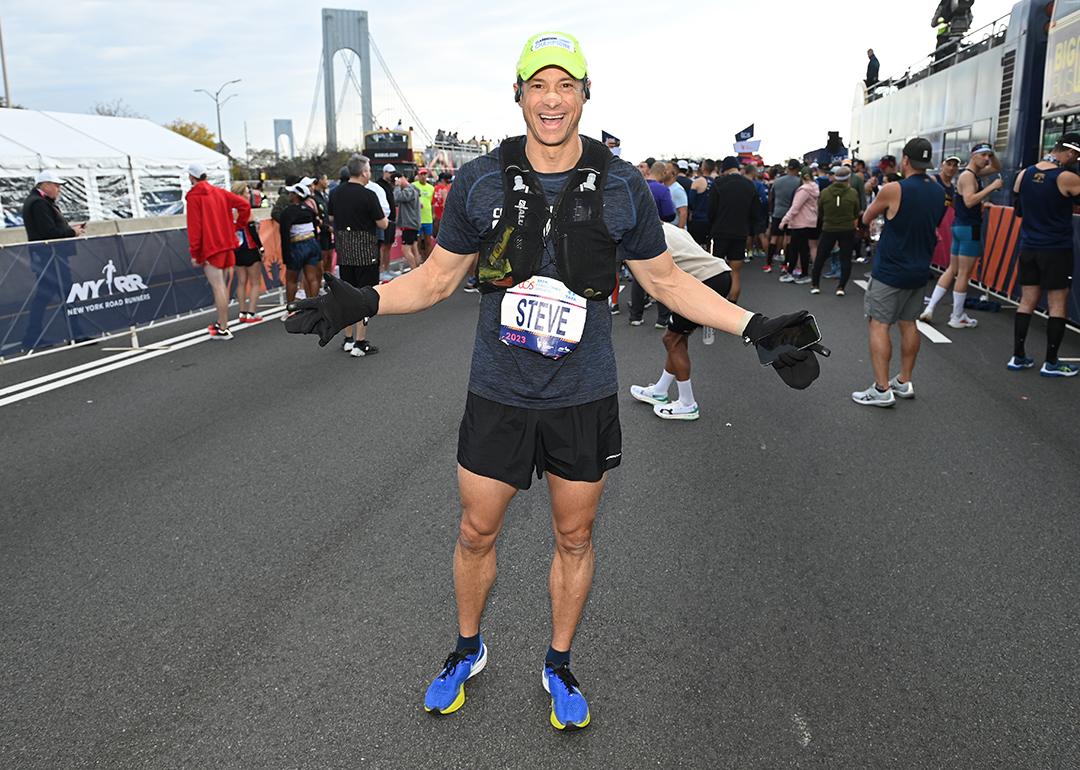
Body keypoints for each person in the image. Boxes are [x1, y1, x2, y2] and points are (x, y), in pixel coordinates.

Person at [284, 29, 822, 730]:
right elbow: (438, 278)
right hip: (499, 393)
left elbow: (662, 280)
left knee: (575, 537)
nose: (551, 100)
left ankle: (559, 662)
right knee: (477, 532)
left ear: (584, 95)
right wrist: (359, 301)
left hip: (582, 394)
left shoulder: (623, 184)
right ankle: (466, 650)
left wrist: (753, 328)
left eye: (565, 85)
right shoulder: (479, 179)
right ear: (518, 95)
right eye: (538, 85)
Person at [852, 138, 945, 406]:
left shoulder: (893, 189)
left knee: (879, 325)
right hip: (919, 269)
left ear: (905, 160)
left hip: (891, 269)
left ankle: (881, 389)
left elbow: (867, 218)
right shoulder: (939, 192)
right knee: (909, 324)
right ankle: (904, 381)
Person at [629, 222, 732, 420]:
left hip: (705, 280)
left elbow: (655, 277)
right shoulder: (670, 227)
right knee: (677, 338)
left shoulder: (649, 236)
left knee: (671, 339)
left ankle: (687, 404)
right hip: (719, 274)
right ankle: (660, 390)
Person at [1008, 132, 1080, 377]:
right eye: (1077, 155)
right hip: (1056, 249)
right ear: (1069, 152)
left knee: (1027, 300)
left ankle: (1018, 356)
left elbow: (1017, 210)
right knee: (1057, 303)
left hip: (1029, 247)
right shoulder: (1067, 177)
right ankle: (1051, 362)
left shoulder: (1024, 174)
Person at [920, 143, 1002, 328]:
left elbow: (997, 167)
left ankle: (930, 308)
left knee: (952, 269)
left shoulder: (970, 174)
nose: (987, 159)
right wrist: (992, 187)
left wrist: (991, 152)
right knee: (964, 273)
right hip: (968, 227)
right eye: (983, 156)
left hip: (959, 226)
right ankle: (956, 317)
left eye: (988, 156)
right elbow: (970, 200)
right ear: (974, 156)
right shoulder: (968, 176)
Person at [20, 170, 88, 349]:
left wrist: (68, 228)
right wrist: (72, 232)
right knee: (66, 294)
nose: (59, 190)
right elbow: (48, 233)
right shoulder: (39, 204)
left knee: (45, 297)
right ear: (45, 185)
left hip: (47, 257)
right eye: (56, 186)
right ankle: (76, 334)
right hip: (51, 257)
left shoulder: (38, 202)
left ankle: (32, 337)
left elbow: (49, 228)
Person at [329, 154, 389, 357]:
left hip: (344, 250)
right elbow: (383, 223)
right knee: (365, 296)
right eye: (369, 169)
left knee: (346, 294)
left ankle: (347, 338)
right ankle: (360, 342)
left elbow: (330, 217)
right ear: (364, 172)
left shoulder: (335, 193)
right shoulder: (368, 194)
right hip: (365, 251)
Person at [185, 162, 252, 340]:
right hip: (227, 244)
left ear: (192, 177)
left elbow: (194, 227)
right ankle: (222, 325)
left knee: (218, 287)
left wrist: (195, 253)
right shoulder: (220, 192)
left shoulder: (193, 196)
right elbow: (245, 206)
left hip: (210, 248)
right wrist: (238, 226)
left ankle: (223, 326)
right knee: (222, 285)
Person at [708, 156, 757, 303]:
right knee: (735, 272)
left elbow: (711, 211)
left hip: (720, 231)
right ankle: (733, 303)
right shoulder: (749, 185)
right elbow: (754, 212)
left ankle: (715, 303)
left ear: (724, 169)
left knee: (716, 270)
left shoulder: (718, 184)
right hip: (740, 232)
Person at [811, 165, 862, 296]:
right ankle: (841, 287)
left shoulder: (825, 192)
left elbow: (820, 211)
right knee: (845, 258)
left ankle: (815, 285)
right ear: (848, 178)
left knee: (821, 257)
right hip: (847, 228)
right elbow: (856, 211)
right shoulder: (852, 193)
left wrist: (828, 219)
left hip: (829, 227)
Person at [276, 180, 323, 306]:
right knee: (312, 278)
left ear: (296, 196)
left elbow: (285, 234)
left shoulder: (287, 212)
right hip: (312, 243)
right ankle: (314, 306)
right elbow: (315, 228)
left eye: (291, 193)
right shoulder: (309, 210)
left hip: (296, 246)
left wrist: (286, 255)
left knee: (291, 280)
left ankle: (291, 308)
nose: (289, 194)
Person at [230, 181, 265, 323]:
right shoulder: (244, 208)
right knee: (255, 282)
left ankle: (242, 312)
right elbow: (252, 231)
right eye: (246, 191)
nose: (249, 193)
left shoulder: (230, 210)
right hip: (249, 248)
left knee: (241, 282)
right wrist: (261, 247)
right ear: (240, 193)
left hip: (236, 248)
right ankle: (251, 312)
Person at [778, 169, 818, 285]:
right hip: (809, 222)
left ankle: (793, 273)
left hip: (799, 222)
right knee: (803, 249)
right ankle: (803, 273)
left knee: (794, 249)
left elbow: (795, 207)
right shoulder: (814, 188)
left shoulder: (803, 190)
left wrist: (784, 220)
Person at [767, 160, 802, 273]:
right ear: (797, 169)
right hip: (792, 214)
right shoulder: (799, 182)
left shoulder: (777, 181)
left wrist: (771, 212)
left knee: (774, 238)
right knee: (788, 239)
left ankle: (769, 263)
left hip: (777, 212)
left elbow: (771, 197)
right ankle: (785, 264)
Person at [393, 173, 422, 270]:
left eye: (397, 179)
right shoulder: (413, 189)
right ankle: (418, 270)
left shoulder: (409, 190)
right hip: (413, 223)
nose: (396, 182)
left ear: (402, 178)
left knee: (405, 250)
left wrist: (397, 186)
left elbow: (398, 198)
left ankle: (414, 272)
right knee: (415, 248)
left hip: (409, 224)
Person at [375, 164, 398, 280]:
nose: (392, 175)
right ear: (385, 172)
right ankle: (381, 270)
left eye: (393, 173)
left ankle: (387, 269)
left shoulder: (391, 185)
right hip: (384, 219)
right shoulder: (378, 185)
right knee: (383, 246)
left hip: (392, 219)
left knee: (388, 245)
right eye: (390, 173)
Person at [687, 158, 715, 247]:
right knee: (708, 245)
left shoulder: (698, 182)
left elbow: (690, 201)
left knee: (696, 246)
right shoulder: (716, 182)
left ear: (703, 168)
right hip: (712, 219)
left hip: (698, 219)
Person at [311, 174, 334, 278]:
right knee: (322, 259)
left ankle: (328, 282)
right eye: (325, 179)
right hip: (322, 232)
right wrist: (325, 227)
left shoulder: (325, 195)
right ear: (320, 181)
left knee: (329, 258)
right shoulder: (314, 197)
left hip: (329, 232)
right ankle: (319, 282)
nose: (327, 182)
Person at [413, 168, 436, 259]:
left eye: (425, 174)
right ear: (418, 176)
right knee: (417, 242)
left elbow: (433, 203)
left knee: (428, 242)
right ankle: (418, 259)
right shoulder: (413, 186)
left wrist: (433, 214)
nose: (423, 176)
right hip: (417, 219)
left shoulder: (431, 188)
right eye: (421, 174)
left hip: (428, 218)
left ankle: (428, 260)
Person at [433, 171, 452, 239]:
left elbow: (444, 205)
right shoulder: (453, 188)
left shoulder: (444, 190)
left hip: (443, 215)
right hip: (446, 215)